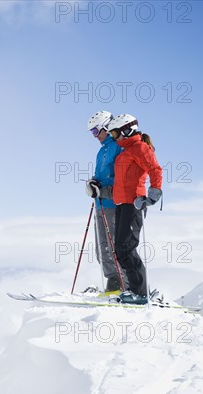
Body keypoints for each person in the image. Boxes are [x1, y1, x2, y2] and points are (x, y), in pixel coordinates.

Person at [106, 114, 163, 304]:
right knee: (120, 248)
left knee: (127, 247)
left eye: (115, 133)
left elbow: (155, 169)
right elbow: (122, 181)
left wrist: (153, 193)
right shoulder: (125, 152)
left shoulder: (140, 147)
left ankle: (140, 294)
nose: (114, 137)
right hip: (122, 204)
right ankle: (136, 289)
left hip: (133, 204)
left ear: (126, 130)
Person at [85, 111, 126, 294]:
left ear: (106, 127)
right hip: (100, 205)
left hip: (114, 205)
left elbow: (123, 180)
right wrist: (93, 183)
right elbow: (102, 176)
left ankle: (129, 286)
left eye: (95, 131)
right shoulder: (101, 150)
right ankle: (114, 284)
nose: (94, 136)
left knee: (117, 248)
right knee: (102, 249)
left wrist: (103, 190)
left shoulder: (118, 147)